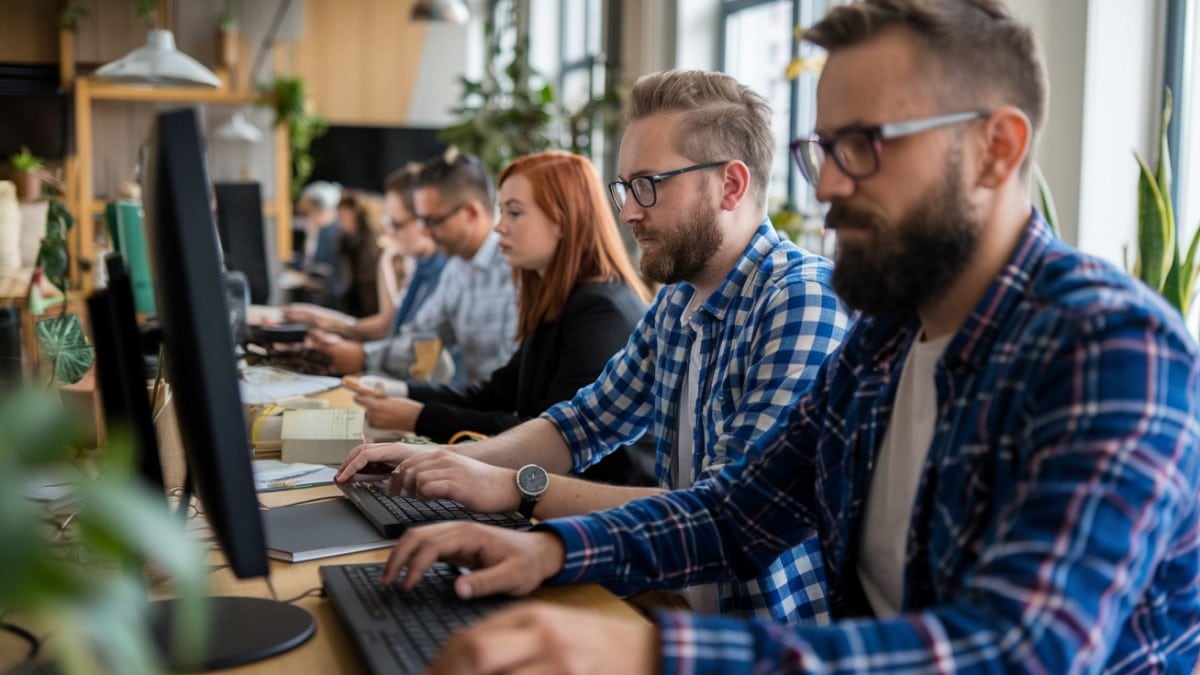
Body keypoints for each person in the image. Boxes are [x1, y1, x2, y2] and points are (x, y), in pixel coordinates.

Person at [363, 1, 1200, 672]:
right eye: (824, 148)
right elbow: (735, 514)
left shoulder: (1111, 347)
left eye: (864, 146)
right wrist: (546, 547)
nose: (828, 185)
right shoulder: (881, 344)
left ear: (995, 149)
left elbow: (1022, 647)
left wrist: (651, 647)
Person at [339, 70, 851, 622]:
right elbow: (578, 426)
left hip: (755, 643)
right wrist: (440, 461)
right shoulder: (678, 304)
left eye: (649, 185)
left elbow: (722, 516)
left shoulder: (800, 301)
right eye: (625, 187)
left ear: (730, 185)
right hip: (667, 604)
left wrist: (515, 489)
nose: (629, 211)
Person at [353, 151, 658, 487]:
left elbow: (544, 437)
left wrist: (420, 417)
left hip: (591, 509)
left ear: (561, 220)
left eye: (514, 212)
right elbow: (494, 394)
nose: (498, 227)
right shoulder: (559, 300)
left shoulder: (600, 312)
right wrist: (400, 391)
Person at [310, 149, 519, 388]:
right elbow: (421, 337)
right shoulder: (458, 269)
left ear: (471, 213)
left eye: (433, 221)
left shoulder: (512, 270)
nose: (425, 231)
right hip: (475, 413)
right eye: (421, 221)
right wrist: (360, 356)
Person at [282, 165, 446, 341]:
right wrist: (317, 319)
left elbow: (397, 334)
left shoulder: (442, 273)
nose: (389, 231)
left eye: (396, 224)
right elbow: (392, 325)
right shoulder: (420, 265)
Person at [293, 180, 343, 307]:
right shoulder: (314, 230)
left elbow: (337, 280)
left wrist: (307, 281)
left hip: (330, 301)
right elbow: (307, 262)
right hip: (312, 298)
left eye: (312, 212)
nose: (310, 217)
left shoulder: (335, 234)